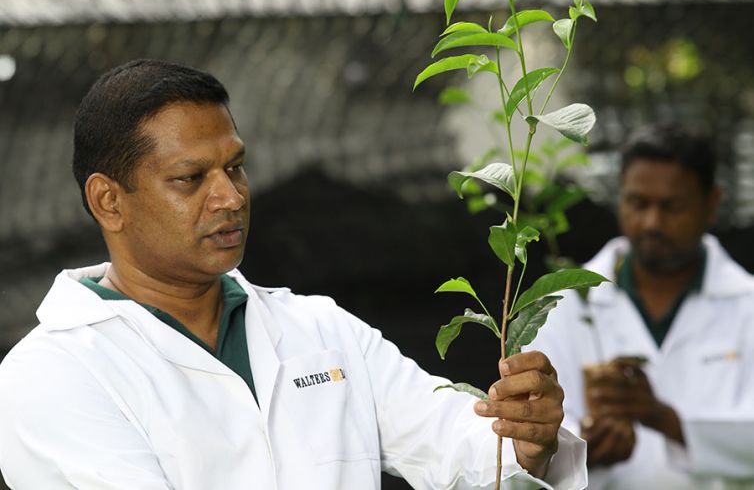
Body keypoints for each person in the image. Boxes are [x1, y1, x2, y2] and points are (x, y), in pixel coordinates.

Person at [0, 59, 587, 489]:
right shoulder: (52, 374)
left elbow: (459, 448)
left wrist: (525, 435)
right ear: (108, 201)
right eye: (190, 178)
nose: (229, 197)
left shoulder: (320, 330)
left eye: (236, 168)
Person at [526, 122, 754, 489]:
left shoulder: (748, 305)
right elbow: (528, 438)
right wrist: (582, 452)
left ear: (711, 204)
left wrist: (662, 418)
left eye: (672, 207)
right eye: (638, 203)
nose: (652, 222)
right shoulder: (562, 305)